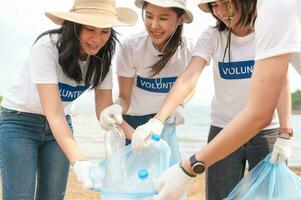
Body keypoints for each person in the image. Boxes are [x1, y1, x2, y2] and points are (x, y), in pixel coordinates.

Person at [131, 0, 300, 199]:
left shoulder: (267, 28)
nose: (220, 11)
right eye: (214, 5)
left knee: (269, 195)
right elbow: (189, 77)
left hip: (267, 131)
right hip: (224, 128)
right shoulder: (212, 36)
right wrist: (158, 120)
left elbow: (280, 81)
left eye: (226, 3)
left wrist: (285, 131)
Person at [0, 0, 137, 199]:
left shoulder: (103, 57)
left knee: (53, 196)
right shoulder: (47, 47)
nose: (97, 39)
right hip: (19, 123)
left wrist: (137, 136)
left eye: (105, 31)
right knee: (20, 196)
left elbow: (104, 110)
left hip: (60, 127)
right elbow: (53, 112)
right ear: (74, 26)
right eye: (90, 29)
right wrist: (79, 161)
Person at [99, 0, 194, 166]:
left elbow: (190, 85)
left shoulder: (188, 48)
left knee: (165, 184)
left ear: (180, 19)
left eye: (163, 18)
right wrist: (117, 109)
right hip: (133, 124)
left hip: (163, 124)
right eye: (149, 16)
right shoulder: (131, 46)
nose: (154, 25)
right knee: (131, 183)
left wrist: (180, 105)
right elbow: (124, 98)